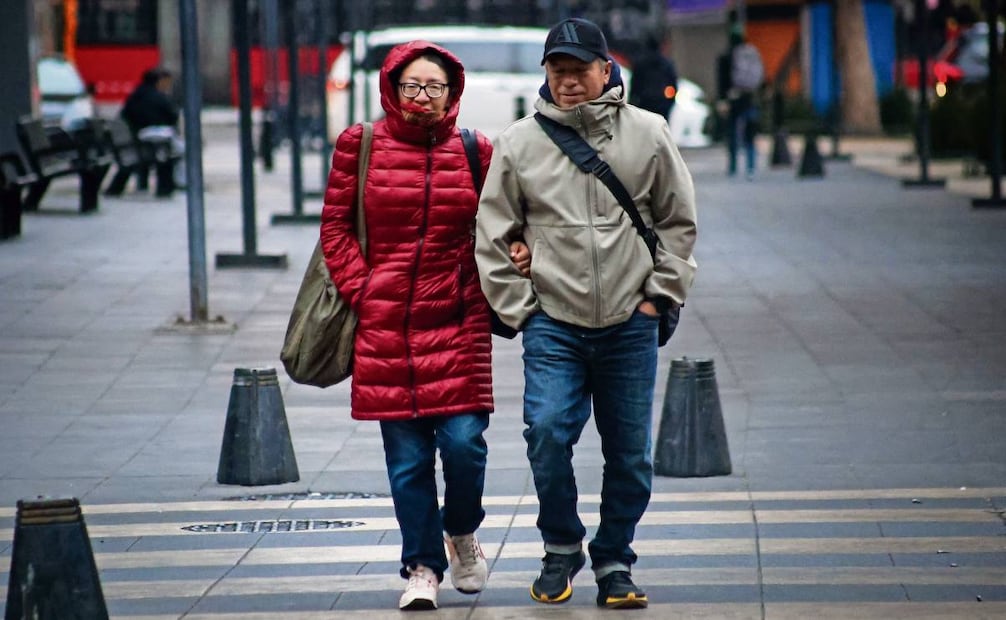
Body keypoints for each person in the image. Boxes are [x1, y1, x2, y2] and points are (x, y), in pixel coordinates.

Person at [474, 17, 698, 610]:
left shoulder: (647, 133)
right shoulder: (521, 142)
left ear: (607, 70)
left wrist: (658, 296)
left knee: (630, 453)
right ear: (545, 74)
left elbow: (679, 222)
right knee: (547, 434)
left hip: (630, 319)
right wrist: (522, 309)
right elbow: (493, 231)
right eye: (558, 71)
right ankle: (560, 544)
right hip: (554, 320)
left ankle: (615, 559)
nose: (569, 82)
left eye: (580, 70)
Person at [319, 41, 529, 611]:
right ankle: (421, 568)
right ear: (391, 87)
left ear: (452, 92)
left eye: (434, 87)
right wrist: (367, 291)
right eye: (411, 85)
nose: (422, 96)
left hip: (457, 321)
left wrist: (515, 256)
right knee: (408, 461)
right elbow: (335, 229)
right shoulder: (359, 145)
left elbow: (505, 223)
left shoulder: (475, 149)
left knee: (465, 447)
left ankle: (461, 532)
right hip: (386, 327)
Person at [120, 67, 185, 189]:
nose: (168, 85)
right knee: (181, 150)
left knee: (175, 148)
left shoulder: (137, 94)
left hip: (138, 136)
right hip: (149, 136)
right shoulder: (155, 96)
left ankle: (179, 180)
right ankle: (181, 181)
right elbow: (172, 115)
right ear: (159, 81)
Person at [716, 29, 764, 179]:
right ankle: (751, 166)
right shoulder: (751, 54)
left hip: (732, 99)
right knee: (750, 133)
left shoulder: (725, 57)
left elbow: (721, 82)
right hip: (749, 98)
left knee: (732, 133)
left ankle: (733, 166)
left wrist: (722, 99)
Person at [628, 33, 679, 121]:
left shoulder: (640, 63)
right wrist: (669, 100)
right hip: (662, 103)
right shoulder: (666, 64)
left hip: (645, 103)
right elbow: (673, 83)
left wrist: (634, 101)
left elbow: (635, 85)